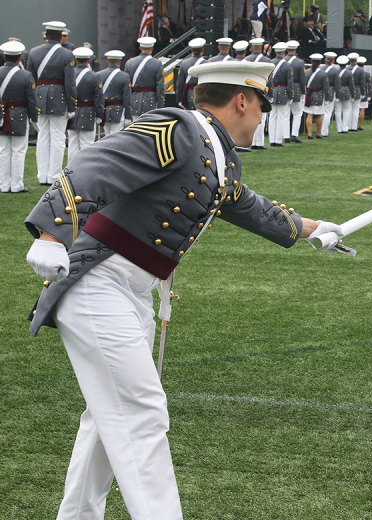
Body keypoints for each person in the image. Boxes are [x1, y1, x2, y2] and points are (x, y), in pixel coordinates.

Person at [24, 60, 346, 520]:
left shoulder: (216, 152)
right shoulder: (178, 128)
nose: (263, 117)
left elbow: (245, 203)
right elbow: (95, 163)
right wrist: (49, 233)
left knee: (107, 419)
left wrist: (310, 228)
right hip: (98, 282)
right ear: (242, 101)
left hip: (131, 291)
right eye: (262, 106)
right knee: (142, 414)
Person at [27, 21, 75, 186]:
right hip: (58, 98)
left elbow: (30, 80)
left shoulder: (33, 52)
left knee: (42, 137)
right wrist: (72, 106)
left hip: (39, 97)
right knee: (58, 137)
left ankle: (43, 175)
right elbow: (69, 83)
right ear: (60, 36)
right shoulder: (67, 54)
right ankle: (54, 175)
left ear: (46, 35)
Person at [0, 40, 36, 194]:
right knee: (18, 151)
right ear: (19, 58)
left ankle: (4, 185)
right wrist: (34, 118)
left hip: (1, 114)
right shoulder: (26, 75)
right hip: (20, 116)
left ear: (4, 57)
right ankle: (16, 185)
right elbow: (31, 99)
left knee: (3, 151)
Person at [67, 47, 103, 157]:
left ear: (75, 60)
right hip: (88, 113)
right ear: (89, 60)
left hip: (72, 111)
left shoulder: (69, 74)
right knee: (87, 144)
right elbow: (99, 97)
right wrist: (99, 115)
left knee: (72, 144)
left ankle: (71, 167)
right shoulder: (95, 76)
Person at [125, 37, 164, 117]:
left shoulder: (129, 63)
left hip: (134, 101)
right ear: (152, 48)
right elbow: (160, 87)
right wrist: (160, 106)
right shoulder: (157, 63)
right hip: (151, 102)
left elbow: (126, 87)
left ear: (140, 48)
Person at [97, 50, 131, 136]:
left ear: (108, 62)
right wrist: (128, 116)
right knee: (116, 137)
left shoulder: (99, 75)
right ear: (119, 62)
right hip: (118, 112)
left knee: (106, 136)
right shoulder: (125, 76)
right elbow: (127, 98)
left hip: (104, 110)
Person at [268, 41, 292, 147]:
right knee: (281, 117)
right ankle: (278, 140)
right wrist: (290, 96)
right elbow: (290, 83)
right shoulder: (287, 65)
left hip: (272, 90)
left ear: (275, 52)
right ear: (284, 52)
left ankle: (272, 139)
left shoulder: (270, 63)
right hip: (282, 91)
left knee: (272, 117)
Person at [176, 38, 207, 111]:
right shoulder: (207, 64)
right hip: (204, 96)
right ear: (203, 50)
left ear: (192, 50)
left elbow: (180, 83)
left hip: (189, 96)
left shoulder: (184, 63)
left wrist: (179, 99)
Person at [284, 40, 305, 144]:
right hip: (296, 88)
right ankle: (294, 134)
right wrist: (303, 91)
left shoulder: (283, 60)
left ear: (287, 49)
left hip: (284, 88)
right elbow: (302, 78)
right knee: (297, 113)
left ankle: (285, 135)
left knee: (286, 114)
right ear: (295, 49)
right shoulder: (300, 62)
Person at [303, 53, 327, 139]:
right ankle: (318, 133)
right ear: (320, 62)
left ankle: (309, 133)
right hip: (319, 95)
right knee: (319, 115)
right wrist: (327, 97)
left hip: (309, 95)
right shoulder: (323, 74)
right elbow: (326, 87)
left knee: (309, 114)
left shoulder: (306, 72)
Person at [334, 55, 355, 133]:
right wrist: (353, 95)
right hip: (346, 91)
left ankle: (339, 128)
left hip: (337, 91)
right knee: (346, 110)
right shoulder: (349, 73)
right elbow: (351, 85)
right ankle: (345, 128)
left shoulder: (336, 72)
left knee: (338, 111)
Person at [321, 52, 339, 137]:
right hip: (330, 91)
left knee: (322, 112)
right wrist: (337, 95)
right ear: (333, 60)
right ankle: (324, 131)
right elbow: (337, 84)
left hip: (320, 91)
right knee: (328, 112)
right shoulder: (335, 71)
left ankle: (320, 129)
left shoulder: (321, 69)